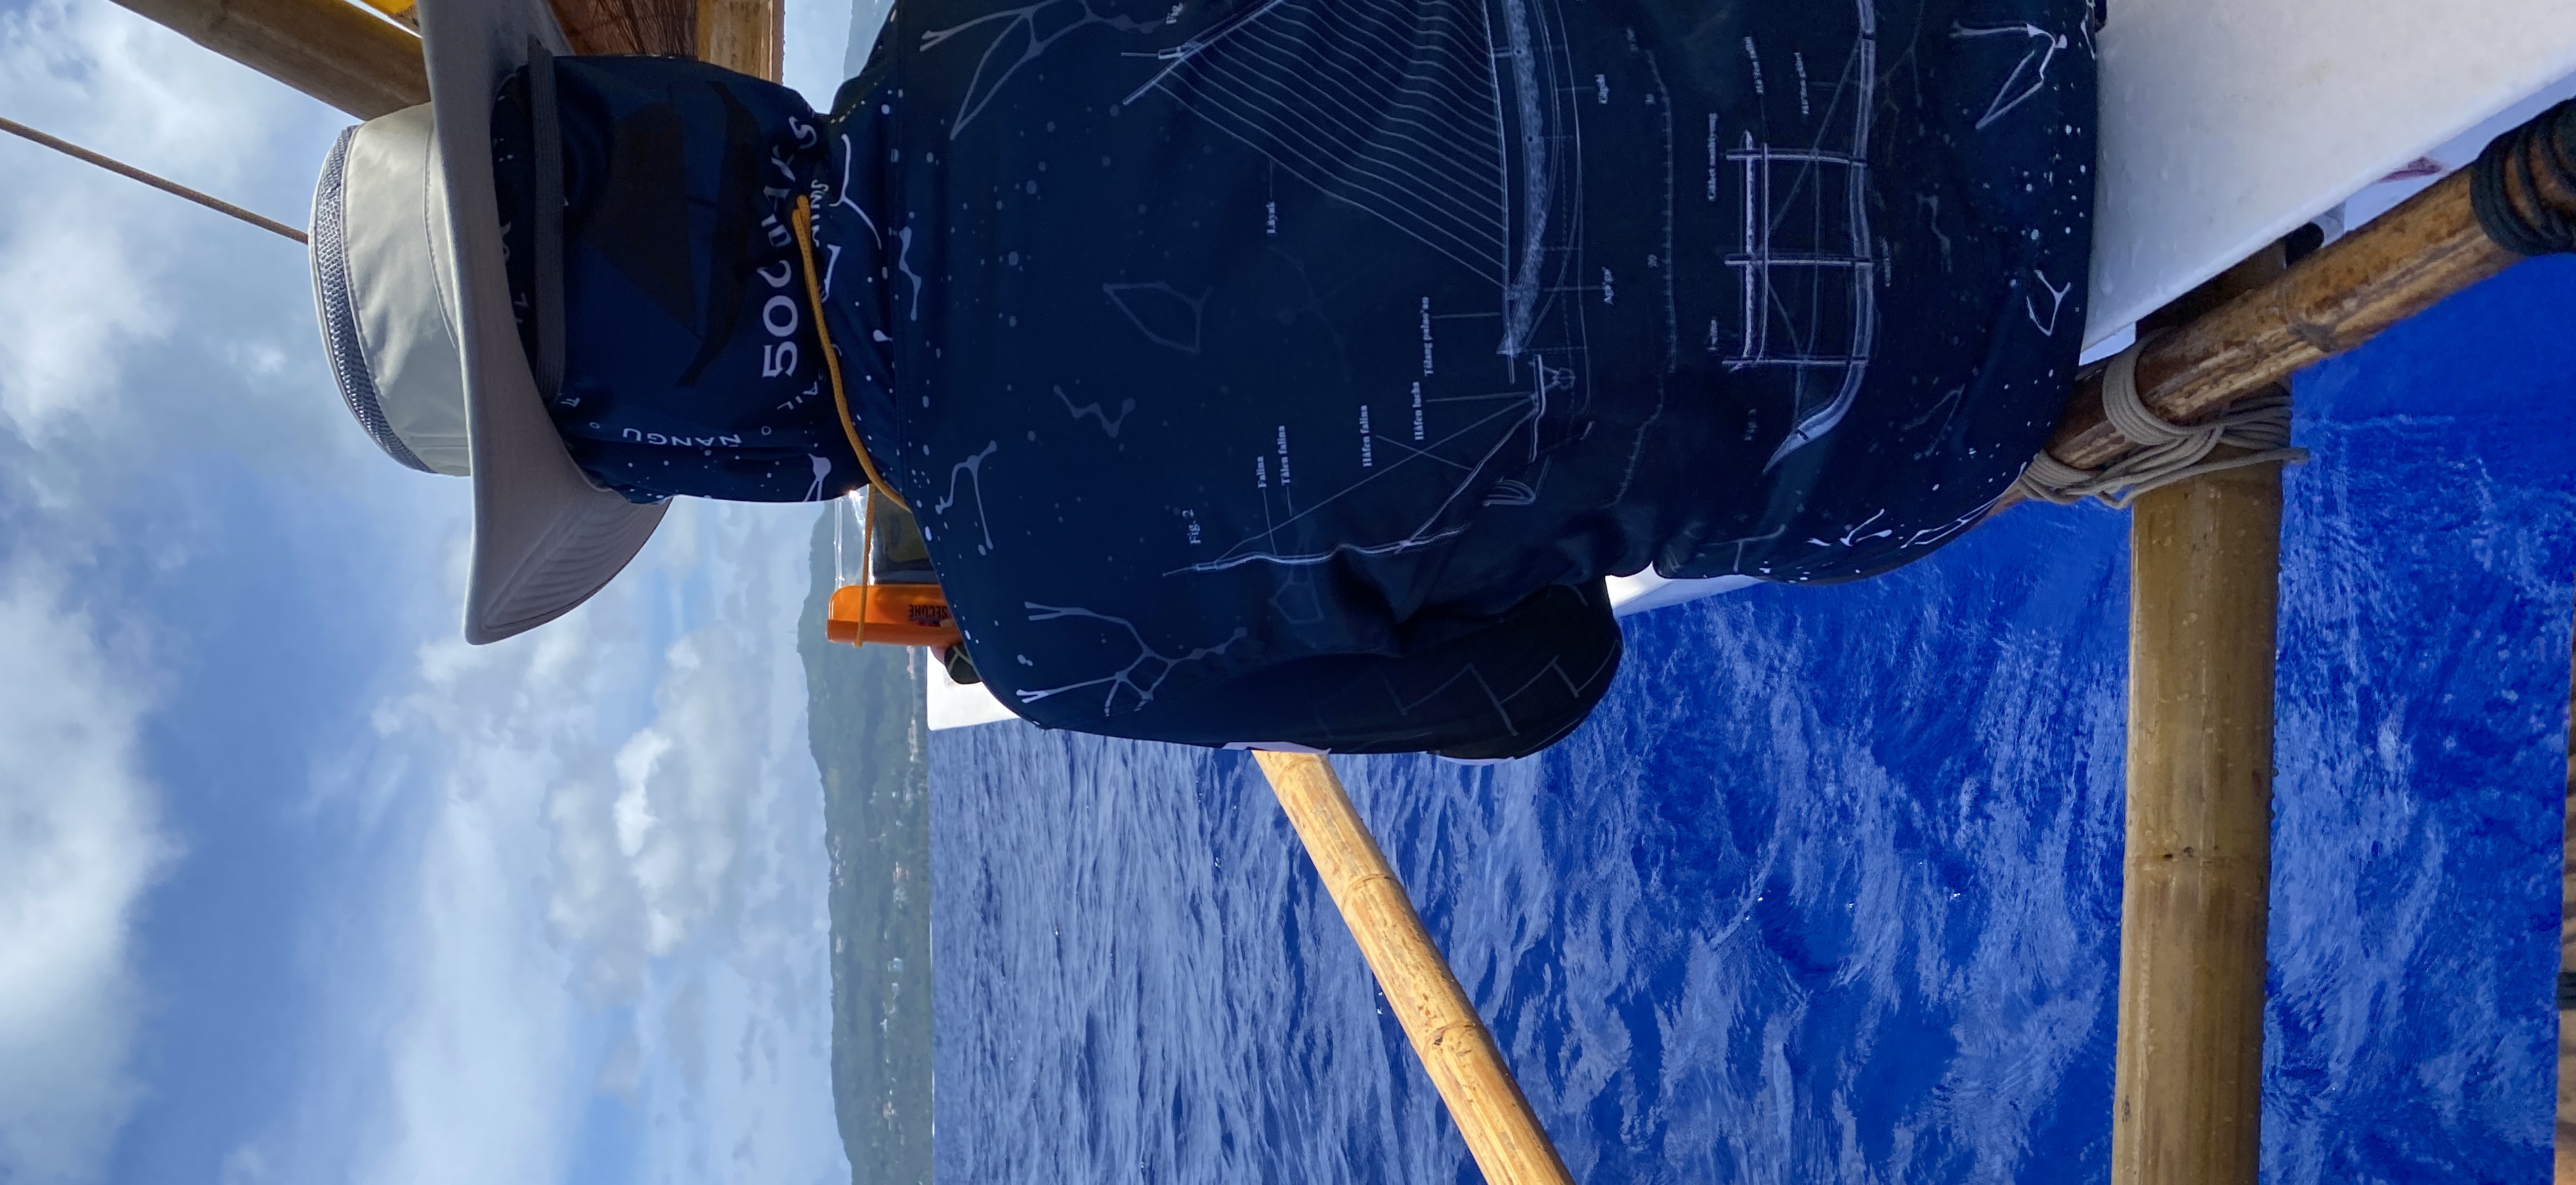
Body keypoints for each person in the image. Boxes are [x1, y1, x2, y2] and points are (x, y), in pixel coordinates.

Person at [310, 0, 2096, 756]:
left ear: (667, 447)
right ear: (663, 103)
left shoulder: (1052, 635)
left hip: (1929, 383)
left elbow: (1545, 677)